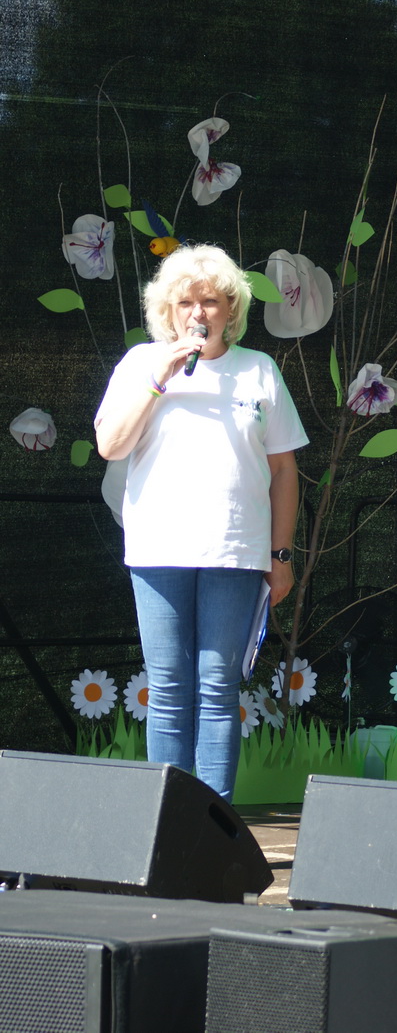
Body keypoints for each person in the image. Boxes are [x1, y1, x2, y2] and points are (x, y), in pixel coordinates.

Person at [95, 244, 308, 801]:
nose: (198, 313)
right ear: (167, 310)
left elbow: (284, 470)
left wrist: (281, 555)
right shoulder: (141, 363)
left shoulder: (258, 370)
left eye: (210, 301)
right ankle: (166, 821)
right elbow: (110, 445)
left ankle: (214, 824)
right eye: (186, 302)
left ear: (230, 309)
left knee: (217, 690)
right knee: (167, 689)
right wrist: (159, 377)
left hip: (234, 552)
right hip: (158, 550)